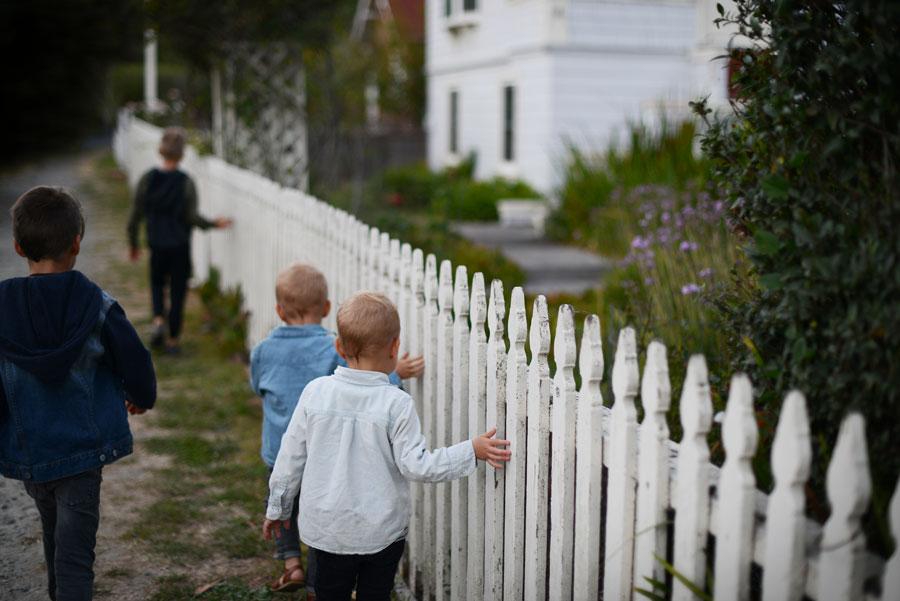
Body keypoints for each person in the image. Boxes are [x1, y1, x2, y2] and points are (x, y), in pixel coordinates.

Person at [263, 292, 510, 601]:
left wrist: (278, 506)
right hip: (380, 533)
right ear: (395, 348)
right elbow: (416, 465)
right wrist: (470, 450)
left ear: (339, 347)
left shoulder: (315, 393)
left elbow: (289, 458)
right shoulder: (397, 402)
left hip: (328, 532)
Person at [0, 186, 156, 601]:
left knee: (54, 538)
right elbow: (134, 358)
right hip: (82, 454)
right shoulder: (97, 305)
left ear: (18, 247)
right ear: (76, 243)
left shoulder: (2, 308)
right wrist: (141, 395)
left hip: (32, 451)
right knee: (74, 557)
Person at [251, 265, 425, 596]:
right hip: (326, 451)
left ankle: (292, 564)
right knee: (324, 506)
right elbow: (359, 382)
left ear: (278, 310)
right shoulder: (329, 351)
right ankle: (318, 580)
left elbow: (257, 385)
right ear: (326, 308)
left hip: (279, 446)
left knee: (288, 499)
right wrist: (395, 372)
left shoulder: (263, 350)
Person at [127, 126, 231, 354]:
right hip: (179, 246)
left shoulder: (147, 179)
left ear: (160, 151)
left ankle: (157, 321)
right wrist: (214, 223)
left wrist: (133, 243)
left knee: (156, 284)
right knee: (177, 291)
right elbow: (191, 217)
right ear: (182, 154)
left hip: (156, 243)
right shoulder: (185, 183)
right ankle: (173, 341)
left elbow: (135, 214)